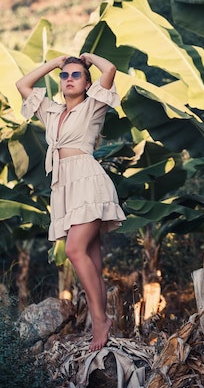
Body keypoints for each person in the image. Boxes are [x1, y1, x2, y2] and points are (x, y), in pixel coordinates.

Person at [16, 53, 126, 351]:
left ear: (88, 83)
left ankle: (101, 321)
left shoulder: (94, 105)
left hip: (89, 182)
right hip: (64, 187)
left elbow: (111, 67)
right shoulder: (51, 112)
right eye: (65, 76)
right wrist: (55, 63)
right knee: (92, 257)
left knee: (75, 250)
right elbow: (22, 83)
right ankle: (99, 322)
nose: (69, 79)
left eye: (76, 75)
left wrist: (88, 57)